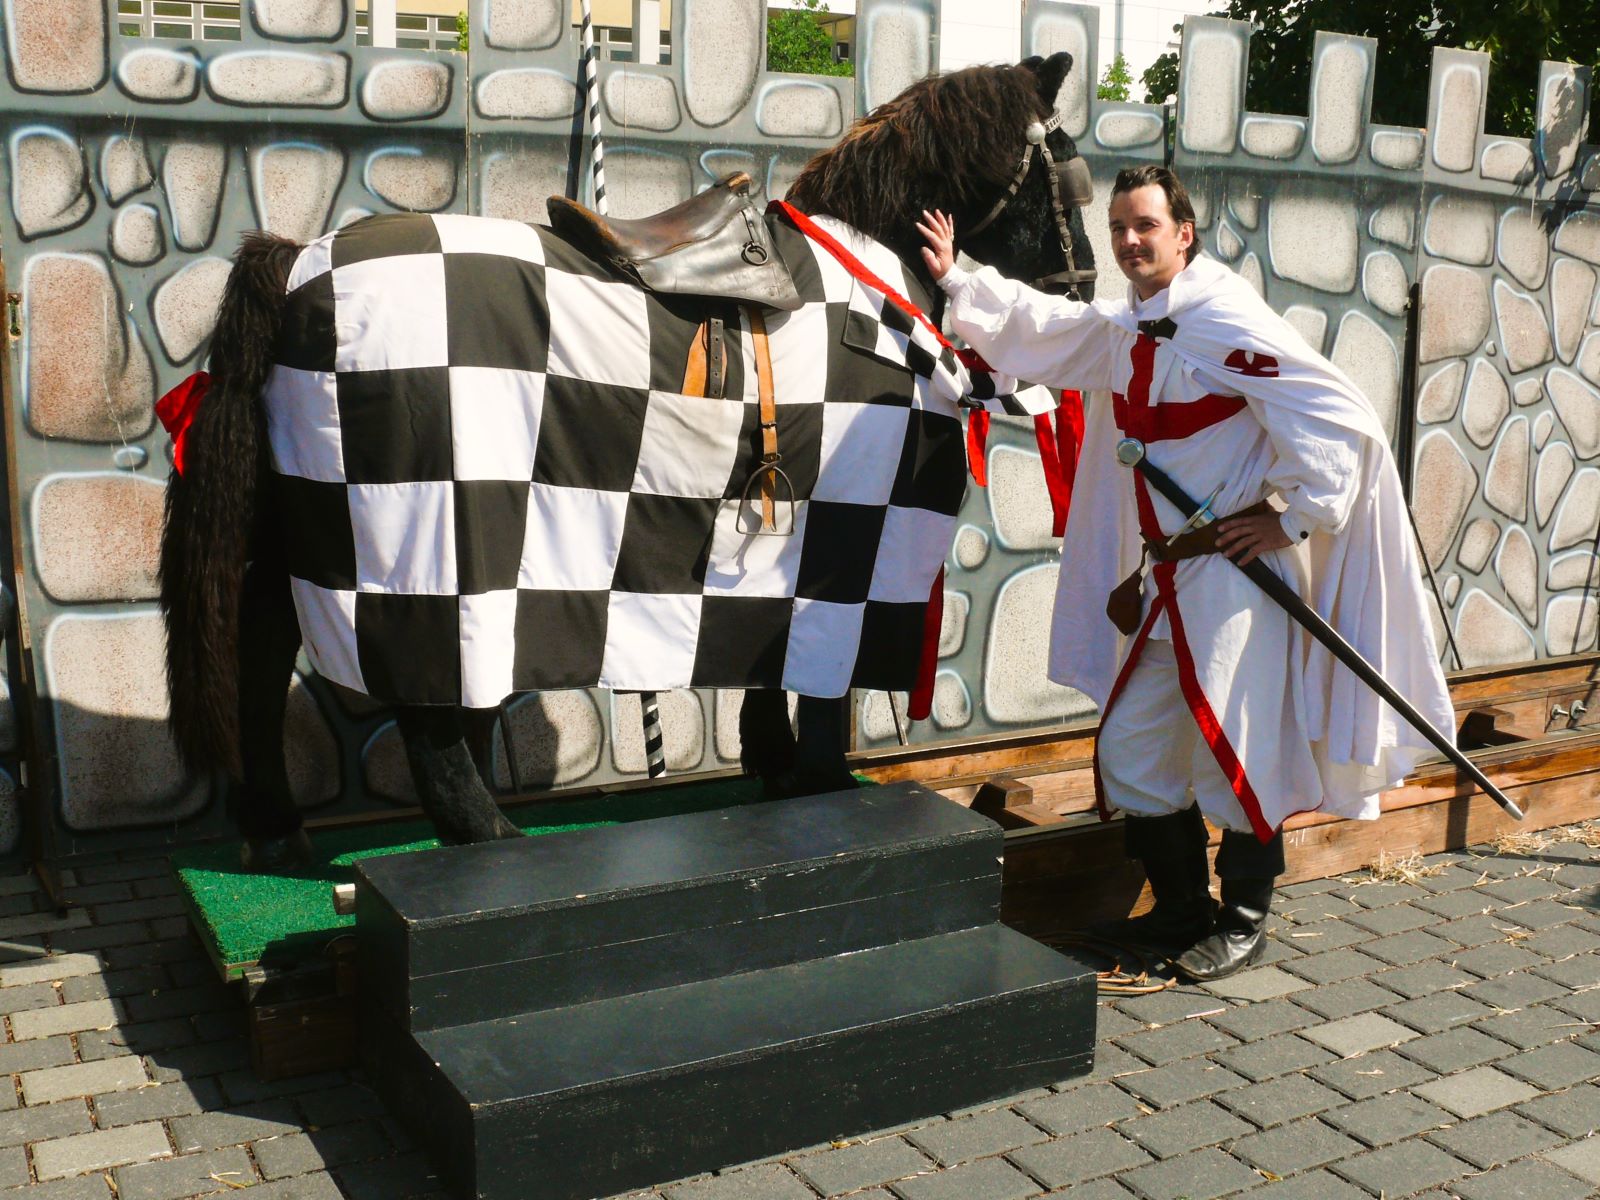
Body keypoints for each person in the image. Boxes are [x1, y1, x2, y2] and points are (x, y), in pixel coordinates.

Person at [917, 166, 1454, 981]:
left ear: (1184, 234)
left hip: (1234, 584)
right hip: (1166, 582)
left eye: (1147, 227)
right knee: (1134, 749)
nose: (1131, 242)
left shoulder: (1224, 321)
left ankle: (1243, 921)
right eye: (1121, 229)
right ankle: (1180, 910)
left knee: (1237, 749)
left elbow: (1337, 417)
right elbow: (1051, 326)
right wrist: (959, 275)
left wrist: (1292, 517)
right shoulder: (1129, 326)